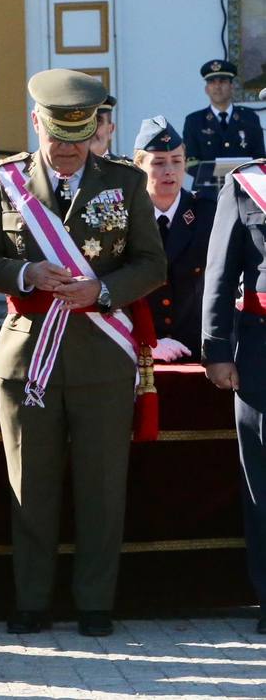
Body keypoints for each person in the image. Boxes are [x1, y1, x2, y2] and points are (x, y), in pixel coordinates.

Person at [0, 69, 165, 637]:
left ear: (98, 129)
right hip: (30, 358)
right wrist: (28, 271)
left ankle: (95, 603)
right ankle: (31, 601)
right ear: (37, 125)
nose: (70, 152)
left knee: (102, 487)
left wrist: (100, 291)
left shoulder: (125, 183)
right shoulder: (4, 182)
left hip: (101, 357)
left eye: (80, 141)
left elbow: (151, 265)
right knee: (31, 484)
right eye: (58, 141)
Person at [202, 152, 266, 636]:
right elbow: (221, 275)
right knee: (263, 479)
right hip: (263, 343)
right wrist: (217, 350)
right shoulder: (248, 184)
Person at [132, 116, 213, 362]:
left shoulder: (208, 213)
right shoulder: (125, 216)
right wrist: (145, 341)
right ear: (138, 166)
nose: (169, 171)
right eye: (158, 163)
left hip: (197, 351)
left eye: (177, 161)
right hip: (137, 350)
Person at [183, 59, 264, 198]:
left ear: (232, 86)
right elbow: (190, 162)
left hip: (244, 193)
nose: (217, 86)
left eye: (222, 81)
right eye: (212, 82)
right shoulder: (194, 121)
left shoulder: (250, 119)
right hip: (207, 197)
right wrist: (217, 174)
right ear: (206, 89)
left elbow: (260, 158)